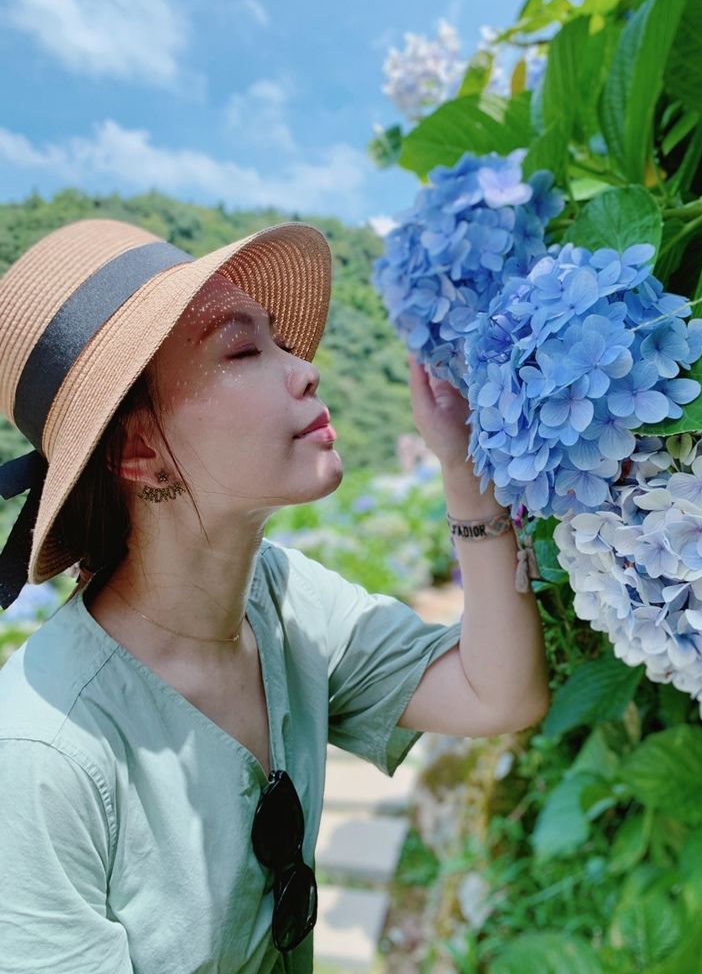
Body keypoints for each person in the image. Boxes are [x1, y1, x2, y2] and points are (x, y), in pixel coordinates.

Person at [0, 217, 549, 973]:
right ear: (139, 450)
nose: (304, 369)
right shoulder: (41, 756)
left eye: (280, 340)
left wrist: (463, 471)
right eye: (243, 349)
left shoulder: (287, 601)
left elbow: (497, 694)